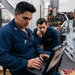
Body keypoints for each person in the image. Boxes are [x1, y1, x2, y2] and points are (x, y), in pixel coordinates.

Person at [0, 1, 60, 75]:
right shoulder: (6, 32)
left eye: (29, 19)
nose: (28, 22)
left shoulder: (28, 30)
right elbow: (2, 57)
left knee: (52, 64)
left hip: (34, 61)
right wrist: (26, 63)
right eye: (25, 18)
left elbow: (35, 45)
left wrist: (40, 53)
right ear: (16, 14)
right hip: (21, 67)